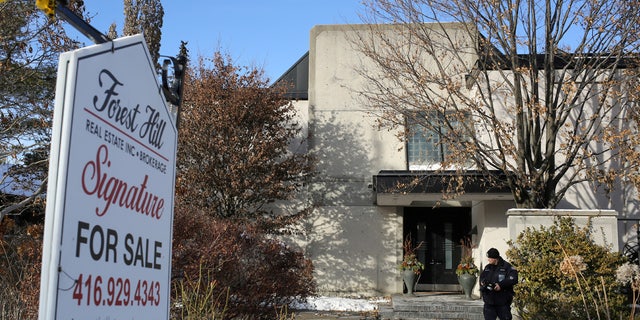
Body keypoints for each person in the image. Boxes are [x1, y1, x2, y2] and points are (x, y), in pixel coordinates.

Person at [479, 248, 518, 320]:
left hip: (502, 302)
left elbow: (513, 278)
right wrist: (483, 282)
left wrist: (501, 285)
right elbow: (482, 277)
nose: (488, 259)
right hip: (489, 302)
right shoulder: (488, 267)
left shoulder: (507, 267)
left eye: (490, 258)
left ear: (495, 258)